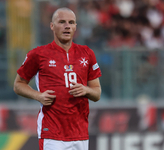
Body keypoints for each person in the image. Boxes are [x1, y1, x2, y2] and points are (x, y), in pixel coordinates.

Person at [13, 7, 102, 150]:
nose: (67, 26)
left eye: (71, 22)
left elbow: (97, 93)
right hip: (52, 132)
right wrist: (38, 96)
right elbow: (18, 85)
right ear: (52, 26)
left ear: (75, 27)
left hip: (80, 133)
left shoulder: (87, 53)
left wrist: (86, 90)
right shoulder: (38, 54)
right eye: (62, 22)